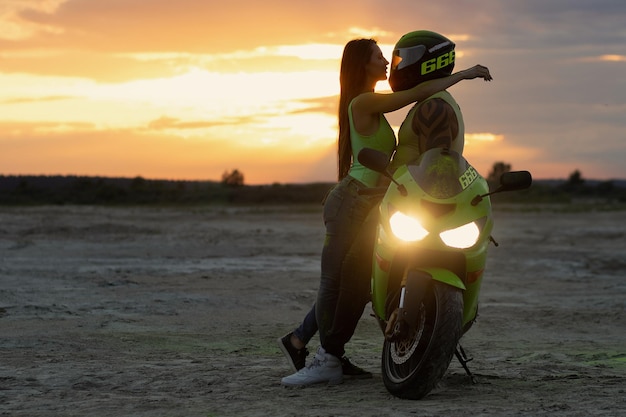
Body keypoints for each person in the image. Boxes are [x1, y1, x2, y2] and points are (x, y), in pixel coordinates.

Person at [280, 37, 492, 387]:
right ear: (362, 65)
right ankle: (321, 354)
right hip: (357, 197)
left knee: (355, 280)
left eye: (394, 57)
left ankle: (311, 346)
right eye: (381, 57)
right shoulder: (368, 102)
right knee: (341, 280)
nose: (389, 62)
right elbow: (414, 96)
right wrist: (464, 74)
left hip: (380, 199)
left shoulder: (406, 105)